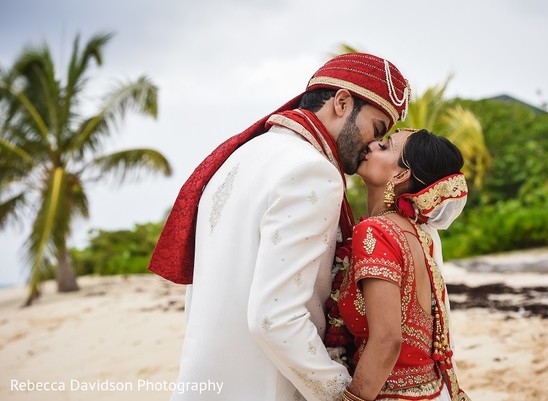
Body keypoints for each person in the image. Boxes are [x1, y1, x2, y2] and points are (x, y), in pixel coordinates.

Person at [148, 53, 411, 400]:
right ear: (343, 103)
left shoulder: (241, 156)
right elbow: (275, 317)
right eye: (377, 129)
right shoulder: (312, 171)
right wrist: (339, 393)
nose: (372, 145)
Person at [337, 129, 471, 401]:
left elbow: (387, 340)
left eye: (385, 146)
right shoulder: (417, 234)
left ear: (400, 175)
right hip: (432, 392)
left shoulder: (376, 231)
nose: (372, 144)